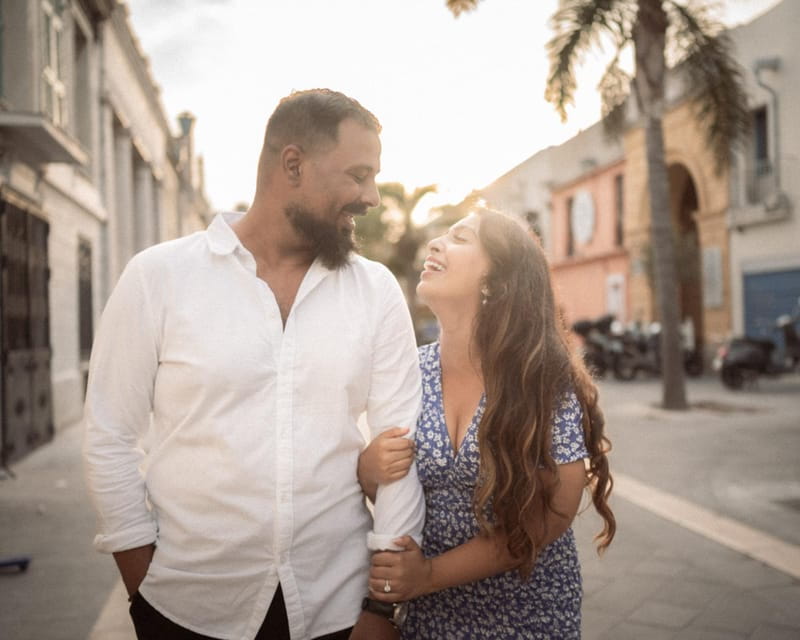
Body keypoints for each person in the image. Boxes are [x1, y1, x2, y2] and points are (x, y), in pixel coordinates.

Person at [83, 88, 425, 640]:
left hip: (337, 608)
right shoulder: (158, 277)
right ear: (293, 165)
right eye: (358, 175)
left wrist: (383, 609)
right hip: (187, 609)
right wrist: (143, 590)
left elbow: (402, 445)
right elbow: (109, 436)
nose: (372, 197)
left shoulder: (376, 290)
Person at [356, 209, 616, 639]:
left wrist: (430, 574)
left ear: (496, 281)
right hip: (429, 616)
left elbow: (553, 513)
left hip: (527, 616)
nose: (436, 243)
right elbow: (400, 494)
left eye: (459, 238)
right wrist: (369, 470)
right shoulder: (408, 372)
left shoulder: (539, 378)